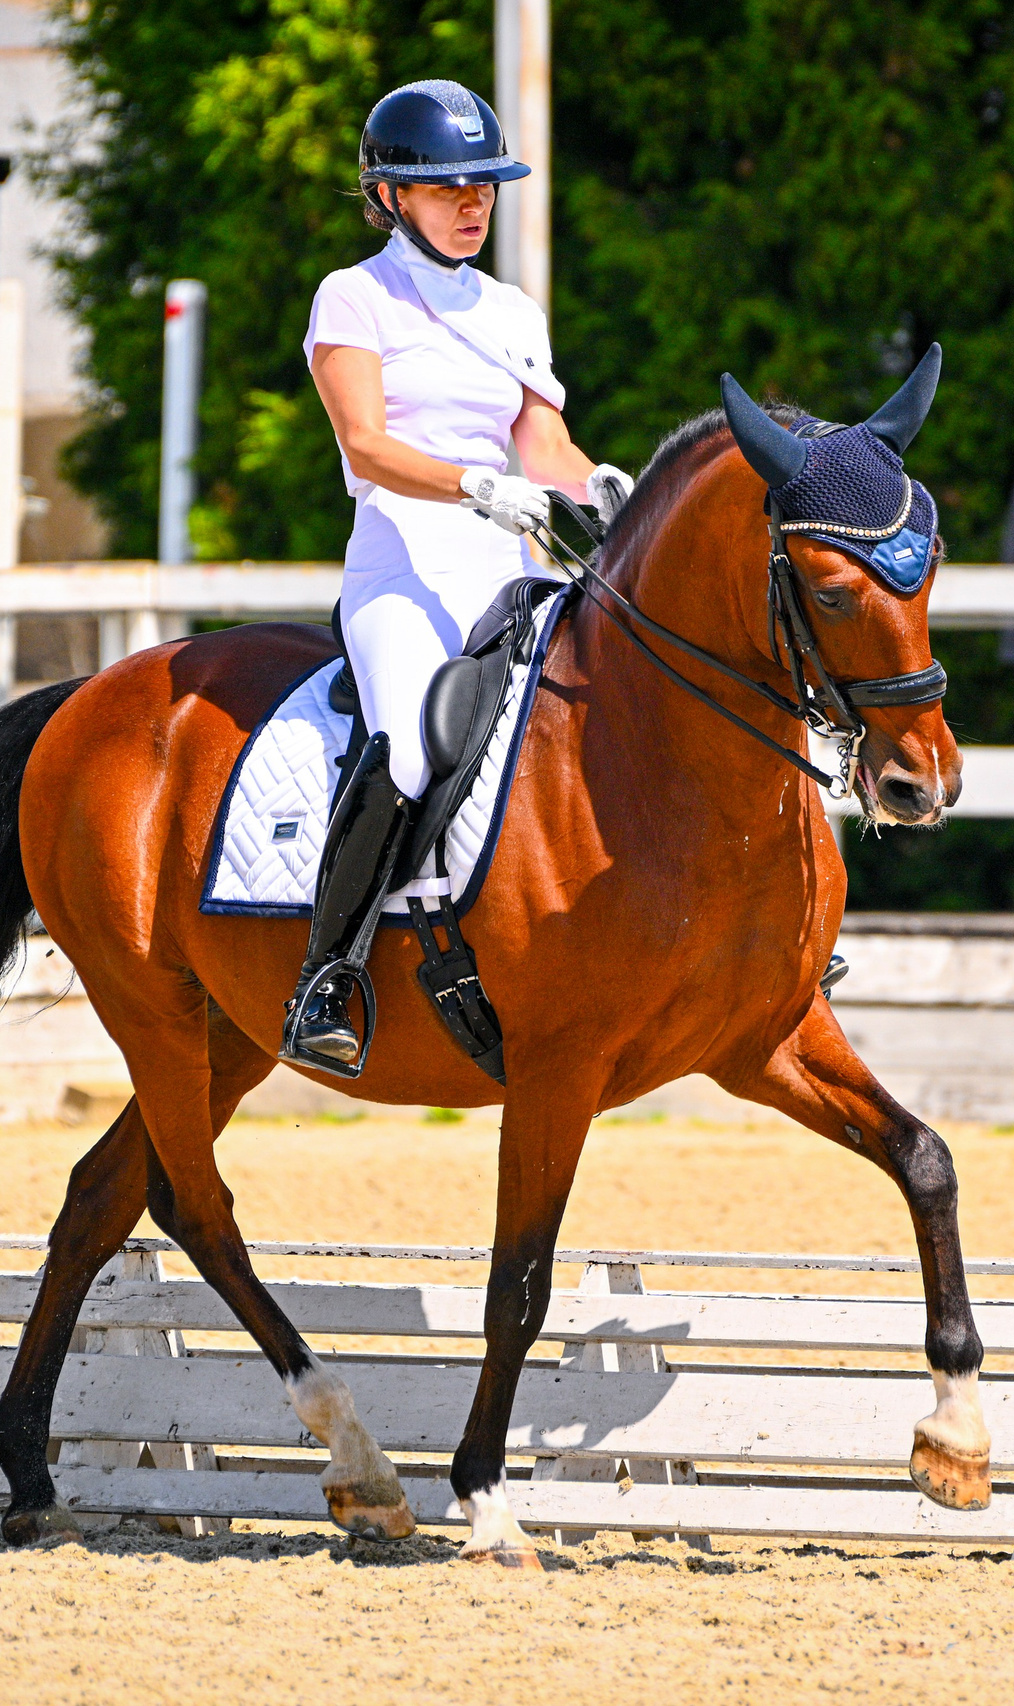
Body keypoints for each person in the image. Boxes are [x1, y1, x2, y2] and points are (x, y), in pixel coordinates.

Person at [283, 78, 632, 1071]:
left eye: (484, 184)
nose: (474, 202)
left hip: (507, 567)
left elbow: (544, 444)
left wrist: (601, 483)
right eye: (448, 187)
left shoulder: (512, 310)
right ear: (391, 195)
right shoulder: (355, 296)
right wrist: (478, 483)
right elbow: (365, 442)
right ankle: (327, 978)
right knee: (403, 748)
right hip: (402, 564)